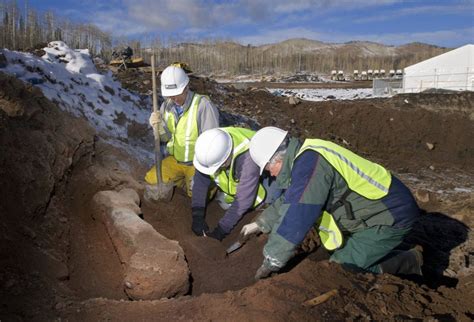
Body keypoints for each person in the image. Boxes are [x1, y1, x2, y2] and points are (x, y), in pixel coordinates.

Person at [241, 126, 423, 280]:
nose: (271, 174)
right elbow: (291, 198)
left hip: (389, 216)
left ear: (278, 158)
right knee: (346, 256)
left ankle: (409, 262)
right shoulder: (307, 155)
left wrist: (273, 258)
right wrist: (261, 223)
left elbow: (297, 214)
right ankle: (398, 254)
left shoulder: (311, 166)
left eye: (268, 168)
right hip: (374, 208)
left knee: (341, 268)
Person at [191, 127, 282, 239]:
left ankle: (267, 203)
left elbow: (244, 200)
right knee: (225, 204)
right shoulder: (210, 145)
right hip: (237, 172)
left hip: (270, 171)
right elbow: (200, 181)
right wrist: (197, 215)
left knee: (271, 204)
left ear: (225, 160)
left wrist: (221, 230)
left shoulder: (248, 158)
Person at [145, 65, 219, 198]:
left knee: (198, 193)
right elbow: (165, 138)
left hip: (198, 164)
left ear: (186, 87)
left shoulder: (203, 106)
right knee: (153, 179)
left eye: (176, 94)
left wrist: (203, 172)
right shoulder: (166, 106)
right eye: (170, 95)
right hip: (176, 160)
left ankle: (211, 186)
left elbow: (213, 146)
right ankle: (183, 182)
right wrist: (158, 126)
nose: (174, 99)